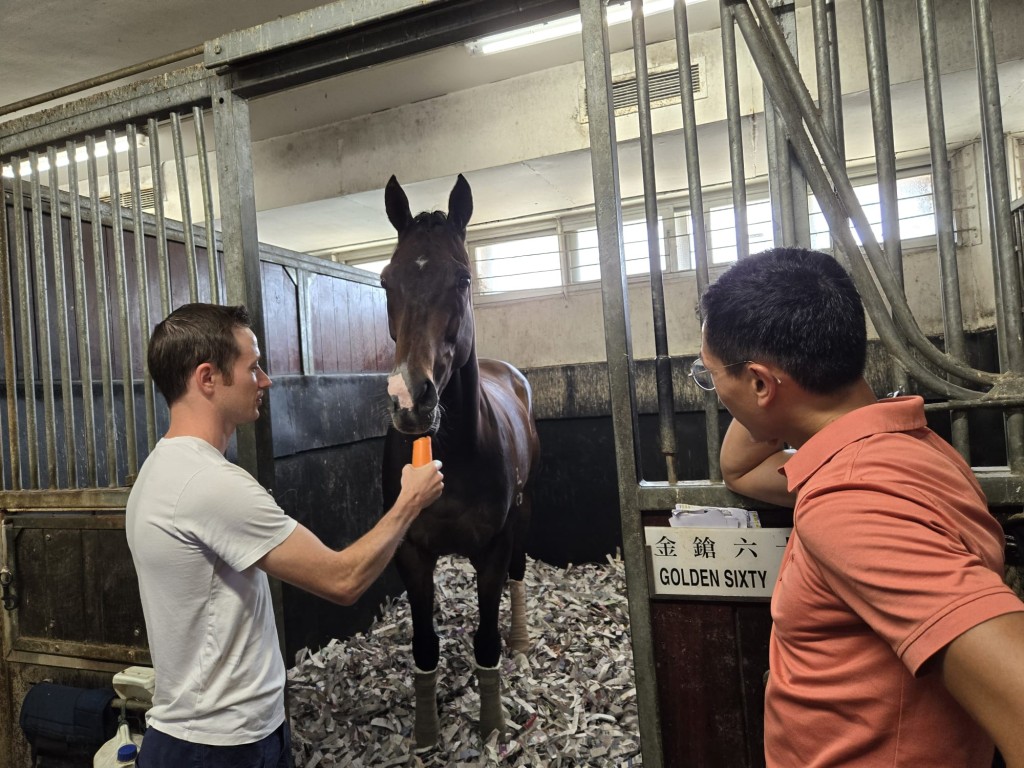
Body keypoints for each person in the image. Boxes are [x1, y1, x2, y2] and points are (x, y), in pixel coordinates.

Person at [698, 247, 1024, 767]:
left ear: (760, 382)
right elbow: (740, 469)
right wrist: (767, 384)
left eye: (709, 376)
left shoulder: (852, 500)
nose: (713, 389)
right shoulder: (901, 449)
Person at [125, 303, 444, 768]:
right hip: (217, 747)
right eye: (252, 367)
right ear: (207, 378)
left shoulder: (163, 469)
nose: (266, 380)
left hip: (222, 731)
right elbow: (343, 580)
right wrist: (409, 503)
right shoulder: (208, 485)